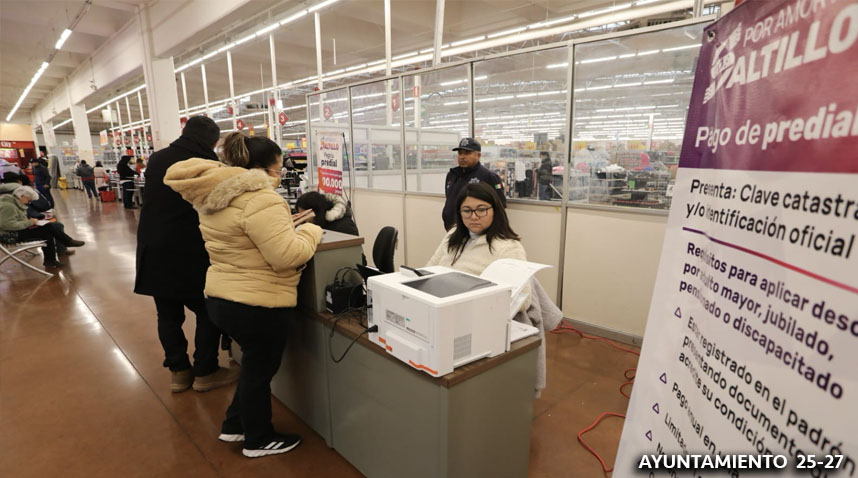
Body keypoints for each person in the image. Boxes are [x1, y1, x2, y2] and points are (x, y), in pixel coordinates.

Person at [165, 132, 323, 458]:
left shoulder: (213, 196)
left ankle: (234, 425)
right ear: (262, 169)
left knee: (252, 366)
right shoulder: (262, 199)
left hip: (223, 297)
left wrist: (283, 225)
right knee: (260, 372)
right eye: (279, 169)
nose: (281, 176)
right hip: (258, 302)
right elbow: (287, 257)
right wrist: (310, 230)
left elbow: (243, 237)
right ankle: (258, 439)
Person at [134, 116, 238, 394]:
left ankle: (179, 373)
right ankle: (206, 371)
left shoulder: (156, 160)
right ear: (213, 142)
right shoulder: (207, 166)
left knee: (167, 314)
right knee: (207, 311)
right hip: (190, 251)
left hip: (153, 247)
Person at [428, 181, 531, 311]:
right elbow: (429, 268)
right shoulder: (453, 234)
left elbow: (523, 300)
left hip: (474, 313)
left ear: (495, 210)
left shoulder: (508, 247)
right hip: (439, 304)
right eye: (467, 211)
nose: (474, 217)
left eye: (481, 210)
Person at [0, 186, 85, 268]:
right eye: (29, 200)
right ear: (22, 196)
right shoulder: (9, 207)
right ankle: (65, 243)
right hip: (9, 236)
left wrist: (30, 221)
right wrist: (29, 222)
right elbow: (8, 225)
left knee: (47, 230)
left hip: (14, 233)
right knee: (48, 228)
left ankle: (51, 259)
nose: (29, 203)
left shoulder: (13, 204)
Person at [442, 137, 506, 230]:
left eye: (467, 153)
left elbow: (500, 205)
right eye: (460, 153)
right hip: (452, 229)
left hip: (475, 230)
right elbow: (449, 198)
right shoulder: (452, 175)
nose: (462, 157)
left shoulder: (489, 177)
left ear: (478, 155)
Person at [294, 191, 359, 235]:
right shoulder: (320, 222)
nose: (304, 219)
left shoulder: (343, 226)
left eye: (305, 215)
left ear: (316, 211)